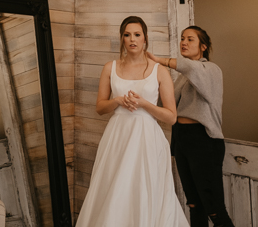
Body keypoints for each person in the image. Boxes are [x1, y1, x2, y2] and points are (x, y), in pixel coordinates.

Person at [76, 16, 188, 227]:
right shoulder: (110, 67)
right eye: (127, 35)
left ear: (145, 38)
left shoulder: (159, 70)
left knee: (144, 190)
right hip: (118, 136)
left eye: (137, 35)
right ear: (122, 39)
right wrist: (117, 101)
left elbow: (171, 117)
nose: (132, 39)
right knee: (115, 188)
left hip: (147, 139)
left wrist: (145, 104)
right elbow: (100, 107)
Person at [147, 26, 235, 227]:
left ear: (203, 47)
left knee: (214, 207)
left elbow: (191, 67)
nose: (183, 42)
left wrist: (159, 60)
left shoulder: (211, 70)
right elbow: (167, 105)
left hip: (204, 141)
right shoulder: (182, 77)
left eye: (190, 39)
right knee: (195, 205)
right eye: (182, 38)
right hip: (182, 139)